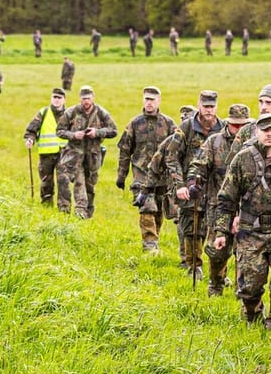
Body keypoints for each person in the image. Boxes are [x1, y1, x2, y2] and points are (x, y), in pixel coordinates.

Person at [212, 113, 271, 326]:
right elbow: (226, 199)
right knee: (249, 286)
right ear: (257, 132)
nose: (269, 134)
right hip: (250, 231)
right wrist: (221, 232)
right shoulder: (242, 160)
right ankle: (252, 314)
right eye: (265, 130)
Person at [157, 90, 221, 277]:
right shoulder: (186, 127)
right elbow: (171, 156)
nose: (209, 110)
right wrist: (179, 185)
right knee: (191, 228)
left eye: (212, 106)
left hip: (214, 188)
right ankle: (194, 267)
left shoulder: (222, 128)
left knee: (215, 229)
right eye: (205, 106)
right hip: (189, 186)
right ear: (199, 105)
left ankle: (218, 273)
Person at [192, 103, 250, 295]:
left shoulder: (255, 145)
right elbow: (198, 163)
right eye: (235, 125)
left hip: (248, 208)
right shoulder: (214, 142)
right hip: (219, 206)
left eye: (243, 126)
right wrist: (194, 181)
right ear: (227, 123)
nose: (238, 130)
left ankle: (242, 292)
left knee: (245, 253)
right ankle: (215, 285)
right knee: (217, 252)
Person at [117, 86, 177, 252]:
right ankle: (150, 246)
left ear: (159, 101)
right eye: (146, 99)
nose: (149, 103)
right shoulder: (134, 124)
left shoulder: (168, 123)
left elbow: (178, 150)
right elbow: (124, 151)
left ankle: (154, 240)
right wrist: (121, 176)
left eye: (152, 99)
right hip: (141, 175)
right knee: (147, 207)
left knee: (158, 211)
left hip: (163, 177)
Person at [56, 86, 118, 219]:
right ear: (80, 99)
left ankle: (88, 213)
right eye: (84, 99)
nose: (86, 101)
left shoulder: (101, 112)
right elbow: (59, 131)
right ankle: (80, 212)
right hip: (75, 156)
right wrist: (73, 135)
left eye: (88, 98)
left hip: (93, 156)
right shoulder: (71, 112)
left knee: (90, 185)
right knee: (79, 182)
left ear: (93, 98)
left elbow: (113, 131)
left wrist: (97, 132)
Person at [23, 88, 69, 205]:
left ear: (64, 100)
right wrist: (30, 139)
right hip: (46, 155)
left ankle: (64, 209)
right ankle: (46, 206)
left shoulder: (69, 114)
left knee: (63, 181)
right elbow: (31, 130)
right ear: (51, 98)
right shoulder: (43, 112)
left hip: (64, 154)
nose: (57, 100)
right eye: (55, 97)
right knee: (46, 182)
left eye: (59, 98)